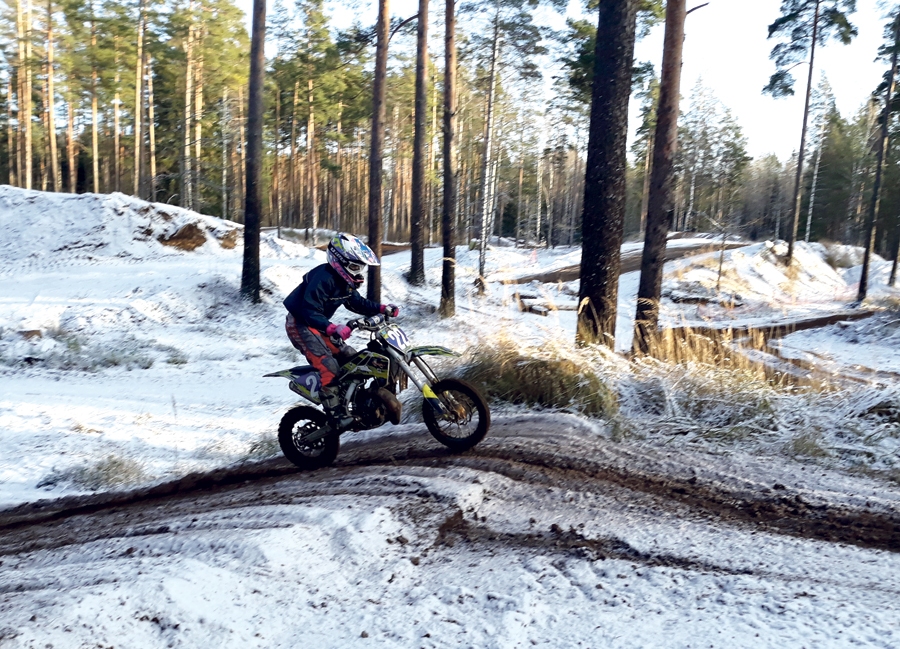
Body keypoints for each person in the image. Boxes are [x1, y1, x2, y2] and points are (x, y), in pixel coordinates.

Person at [283, 233, 400, 430]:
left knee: (351, 357)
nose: (358, 272)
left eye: (360, 267)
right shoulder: (323, 278)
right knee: (329, 366)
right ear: (339, 261)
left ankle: (355, 400)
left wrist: (381, 308)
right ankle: (336, 414)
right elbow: (308, 310)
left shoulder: (343, 281)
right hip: (300, 324)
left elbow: (356, 302)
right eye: (355, 266)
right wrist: (332, 327)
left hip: (318, 325)